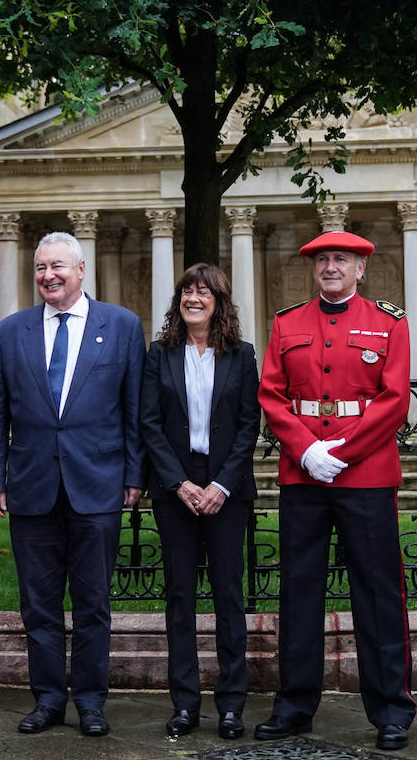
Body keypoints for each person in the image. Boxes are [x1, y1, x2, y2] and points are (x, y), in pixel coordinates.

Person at [0, 231, 145, 737]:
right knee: (39, 604)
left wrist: (135, 474)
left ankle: (91, 701)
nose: (48, 276)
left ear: (80, 269)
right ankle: (48, 698)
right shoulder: (10, 331)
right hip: (30, 487)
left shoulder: (121, 326)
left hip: (99, 485)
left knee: (94, 605)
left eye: (58, 267)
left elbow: (134, 409)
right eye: (40, 268)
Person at [255, 231, 416, 751]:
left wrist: (339, 453)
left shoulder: (389, 321)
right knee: (300, 592)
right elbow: (272, 396)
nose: (330, 267)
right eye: (322, 259)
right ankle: (295, 705)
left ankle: (391, 708)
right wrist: (306, 450)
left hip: (365, 473)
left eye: (340, 259)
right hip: (303, 472)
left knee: (377, 593)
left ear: (360, 268)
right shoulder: (287, 323)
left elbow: (393, 402)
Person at [139, 264, 260, 740]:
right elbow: (148, 422)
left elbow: (249, 423)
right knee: (180, 598)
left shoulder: (242, 355)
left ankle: (231, 705)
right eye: (187, 290)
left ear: (219, 301)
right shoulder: (159, 354)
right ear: (179, 300)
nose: (194, 297)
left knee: (229, 597)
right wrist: (178, 482)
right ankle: (185, 704)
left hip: (226, 488)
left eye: (203, 291)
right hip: (176, 487)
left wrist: (222, 485)